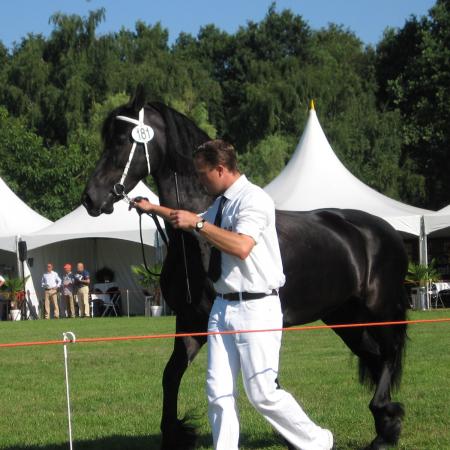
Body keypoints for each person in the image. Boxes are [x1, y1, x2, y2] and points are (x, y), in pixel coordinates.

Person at [132, 139, 333, 450]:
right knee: (218, 391)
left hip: (256, 307)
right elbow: (189, 219)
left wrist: (198, 223)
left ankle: (317, 442)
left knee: (262, 393)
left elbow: (240, 246)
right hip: (223, 307)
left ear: (221, 169)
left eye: (203, 173)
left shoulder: (254, 200)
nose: (200, 179)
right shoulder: (221, 203)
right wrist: (152, 208)